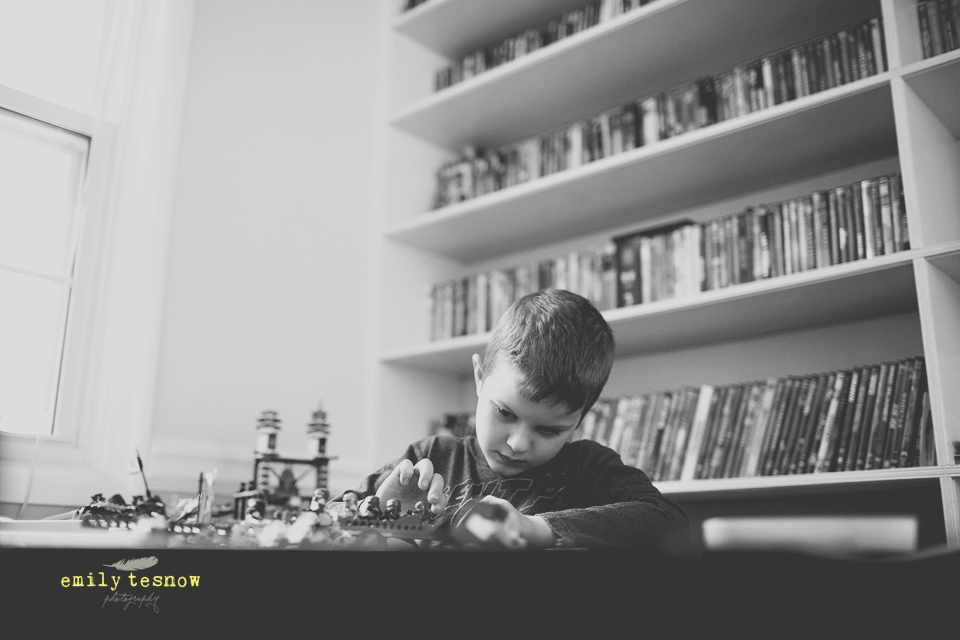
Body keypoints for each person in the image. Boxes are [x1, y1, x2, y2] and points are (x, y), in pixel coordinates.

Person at [328, 289, 689, 548]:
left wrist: (536, 528)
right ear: (479, 377)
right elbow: (323, 516)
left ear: (580, 418)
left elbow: (667, 521)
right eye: (505, 412)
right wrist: (376, 514)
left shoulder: (588, 467)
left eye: (549, 429)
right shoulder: (430, 456)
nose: (518, 443)